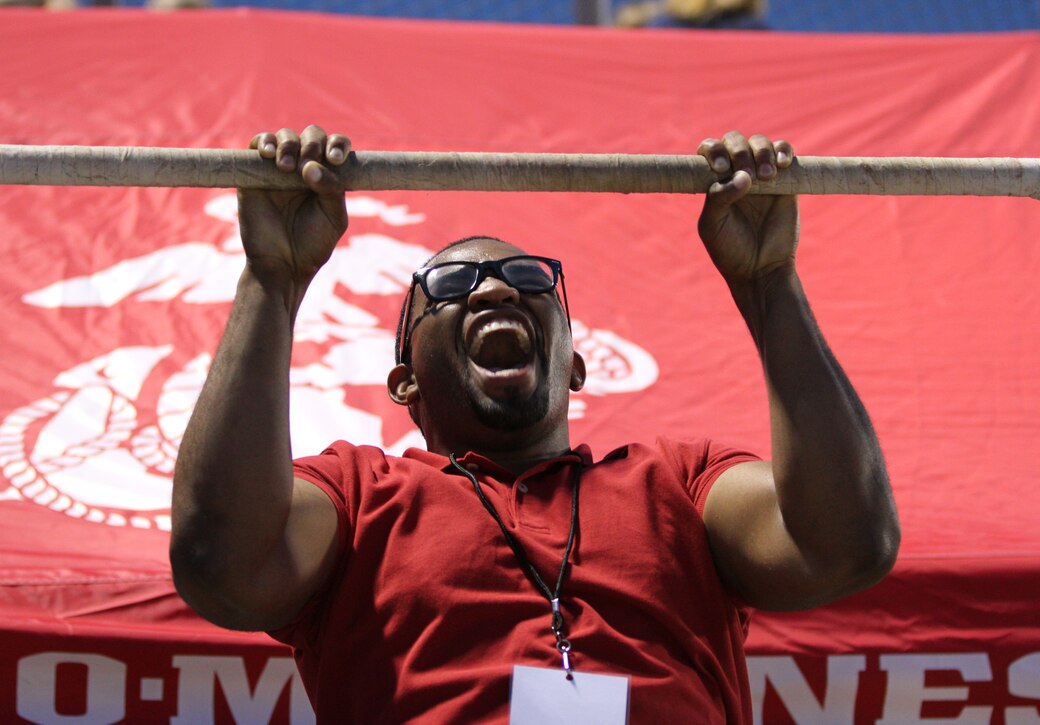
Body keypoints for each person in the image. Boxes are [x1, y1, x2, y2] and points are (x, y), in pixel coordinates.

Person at [170, 125, 900, 723]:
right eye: (450, 286)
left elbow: (845, 543)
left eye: (529, 281)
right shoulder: (360, 494)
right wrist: (273, 280)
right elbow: (223, 563)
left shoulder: (678, 481)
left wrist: (768, 283)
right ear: (405, 381)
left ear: (575, 365)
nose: (494, 286)